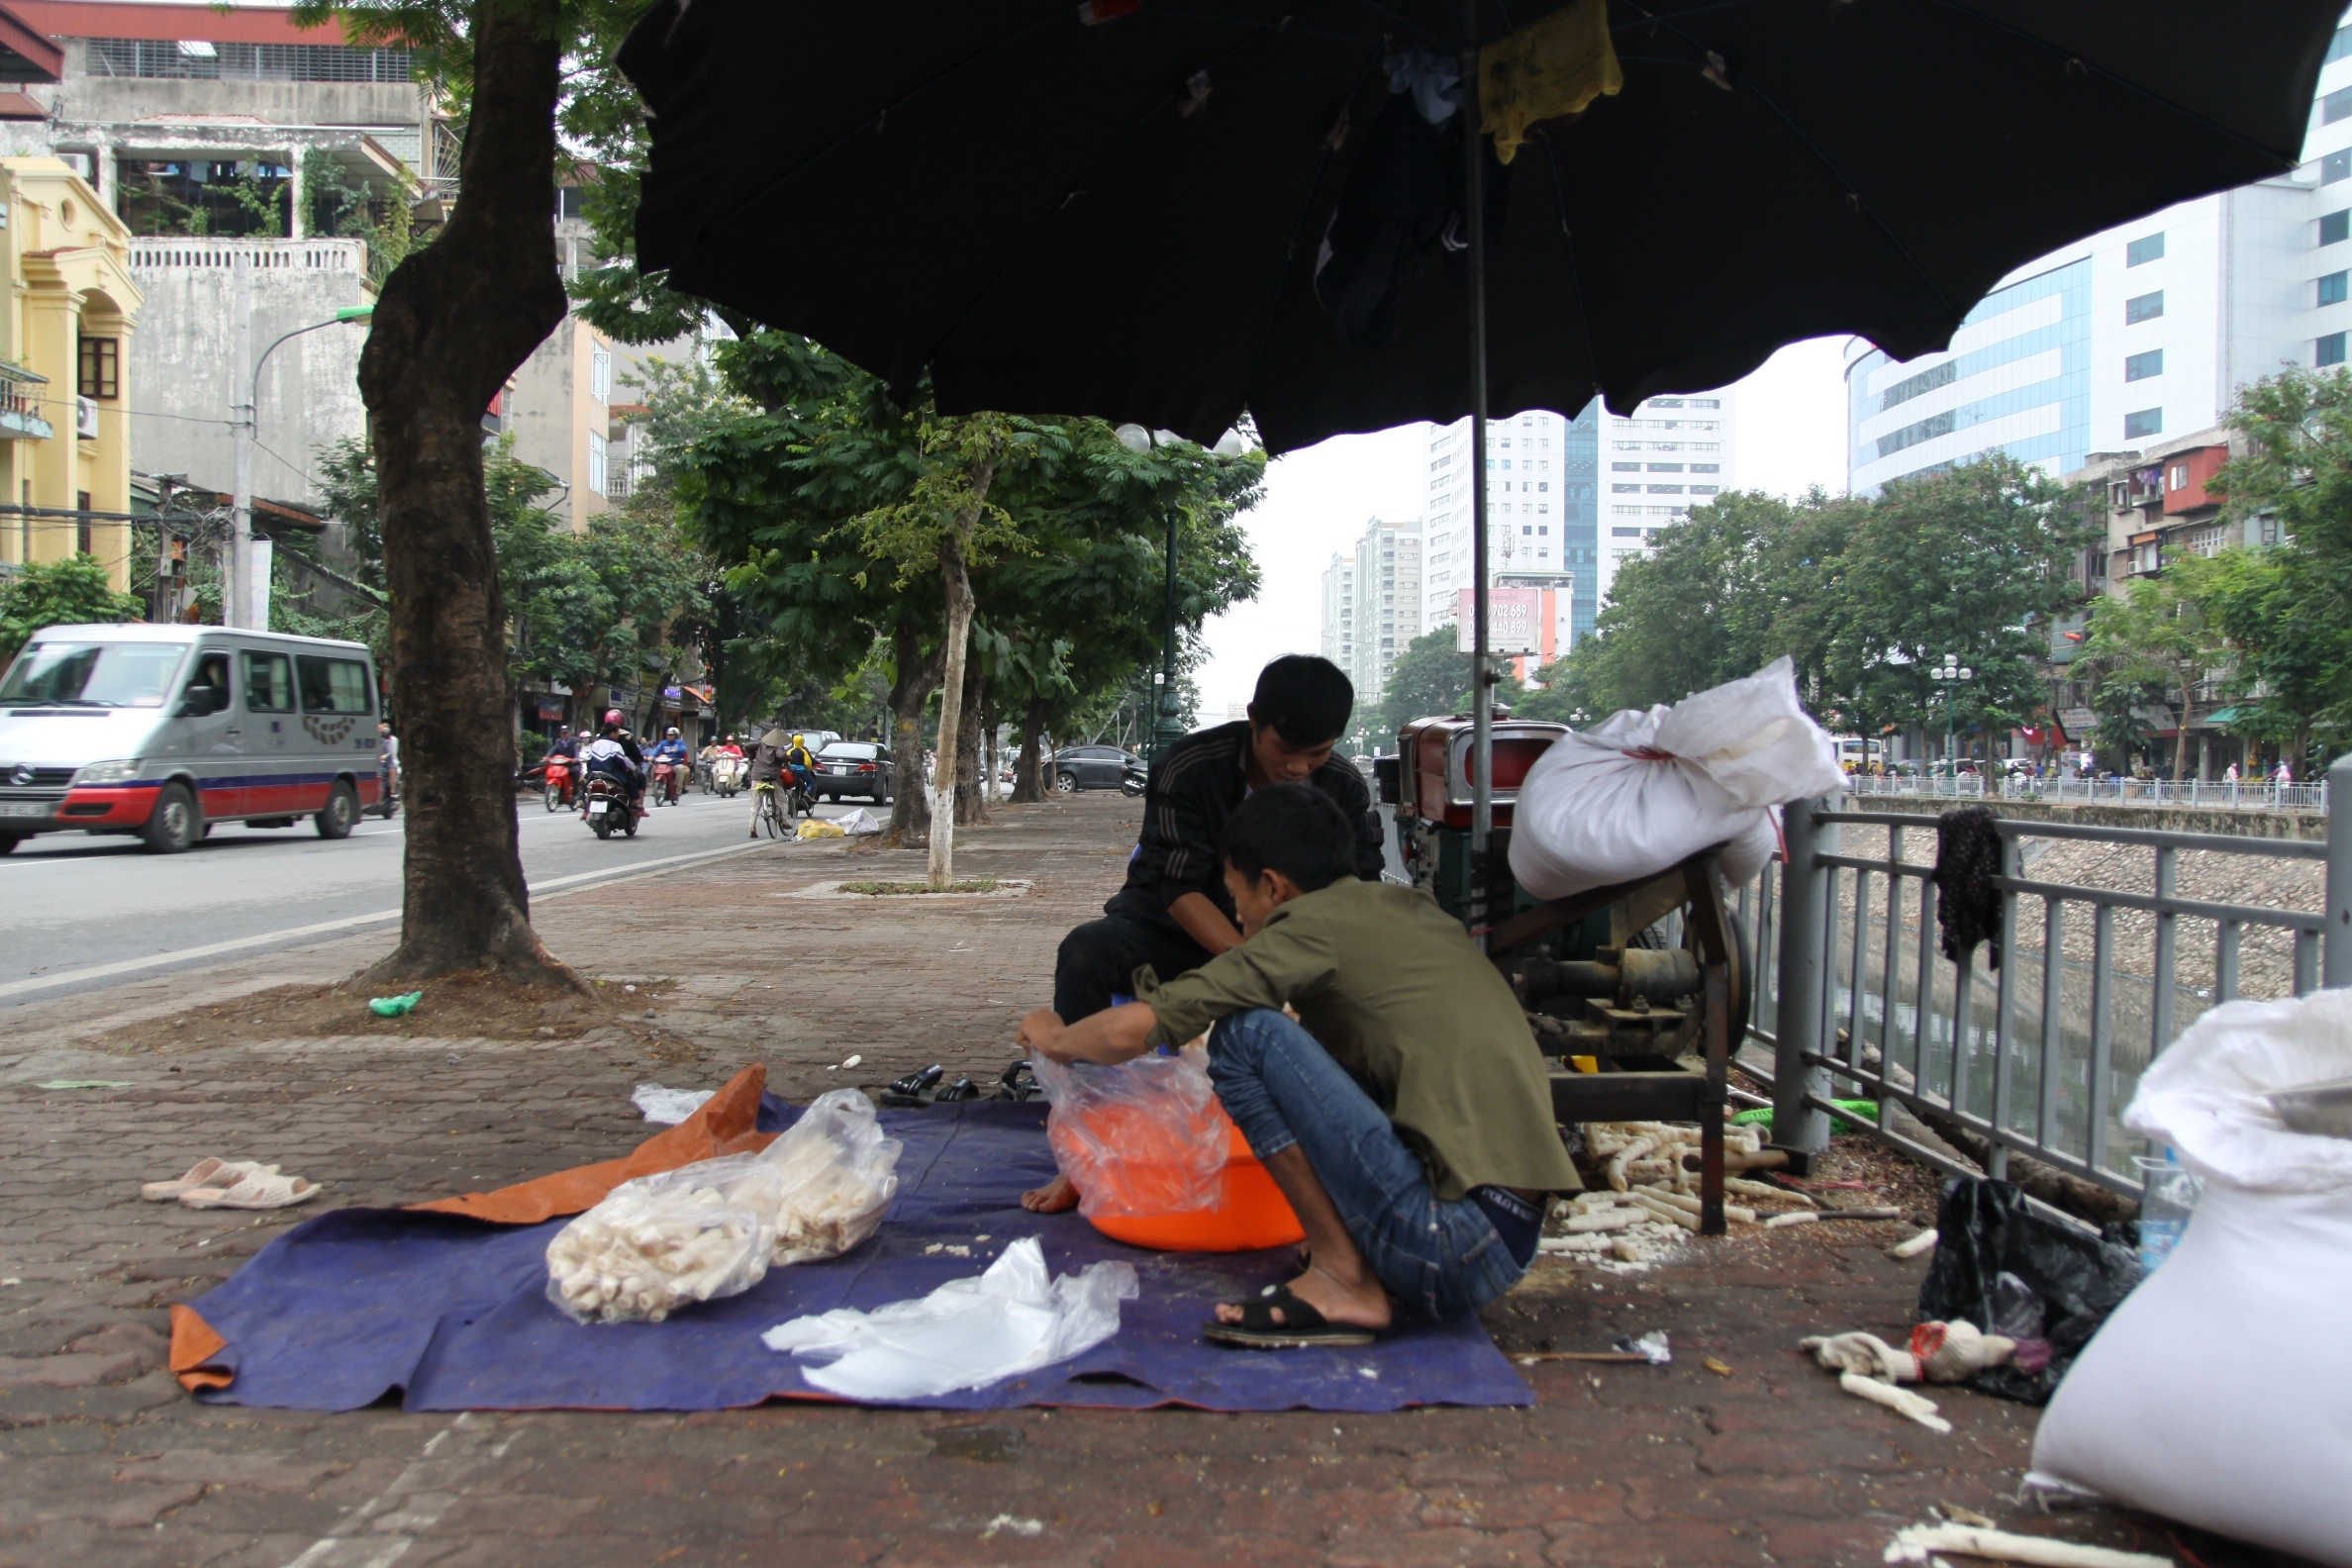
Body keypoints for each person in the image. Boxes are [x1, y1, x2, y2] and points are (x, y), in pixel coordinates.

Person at [1020, 784, 1578, 1346]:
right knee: (1309, 1038)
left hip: (1448, 1245)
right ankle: (1357, 1257)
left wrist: (1057, 1038)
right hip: (1506, 1240)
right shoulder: (1406, 911)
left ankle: (1342, 1278)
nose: (1238, 921)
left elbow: (1143, 1026)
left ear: (1272, 885)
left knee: (1245, 1034)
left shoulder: (1312, 926)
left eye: (1236, 899)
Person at [581, 710, 645, 815]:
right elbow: (623, 760)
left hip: (595, 773)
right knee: (633, 776)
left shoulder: (596, 741)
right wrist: (629, 768)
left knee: (586, 780)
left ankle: (582, 802)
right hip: (613, 773)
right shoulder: (623, 740)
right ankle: (635, 802)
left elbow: (589, 761)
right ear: (613, 732)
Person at [746, 727, 791, 836]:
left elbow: (747, 746)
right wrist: (788, 757)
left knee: (755, 803)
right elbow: (780, 755)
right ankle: (784, 820)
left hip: (757, 775)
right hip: (773, 776)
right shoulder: (778, 747)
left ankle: (752, 827)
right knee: (781, 799)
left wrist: (752, 756)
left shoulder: (760, 744)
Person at [649, 726, 690, 802]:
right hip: (664, 763)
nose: (669, 736)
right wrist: (651, 756)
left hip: (675, 763)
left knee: (681, 769)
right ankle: (654, 788)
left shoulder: (679, 742)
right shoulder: (663, 743)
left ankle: (678, 788)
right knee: (654, 769)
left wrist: (677, 750)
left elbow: (683, 749)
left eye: (671, 735)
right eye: (668, 735)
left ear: (675, 736)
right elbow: (657, 750)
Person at [376, 721, 400, 809]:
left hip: (391, 761)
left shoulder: (393, 739)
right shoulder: (382, 740)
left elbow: (391, 752)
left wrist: (384, 756)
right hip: (382, 762)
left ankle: (392, 793)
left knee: (391, 769)